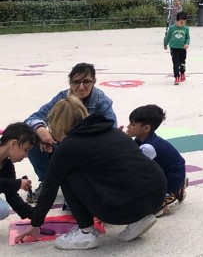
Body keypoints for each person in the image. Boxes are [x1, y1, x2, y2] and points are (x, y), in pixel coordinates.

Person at [14, 97, 165, 248]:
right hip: (156, 195)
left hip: (122, 209)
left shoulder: (68, 147)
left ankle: (85, 233)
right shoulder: (111, 131)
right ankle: (139, 218)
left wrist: (36, 223)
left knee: (66, 175)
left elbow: (49, 187)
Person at [24, 62, 117, 185]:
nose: (81, 87)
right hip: (63, 145)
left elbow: (111, 133)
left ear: (94, 82)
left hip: (88, 149)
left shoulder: (102, 102)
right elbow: (32, 119)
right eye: (76, 82)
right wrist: (41, 130)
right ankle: (47, 181)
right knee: (33, 140)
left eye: (86, 82)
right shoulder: (62, 97)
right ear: (70, 83)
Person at [125, 105, 187, 216]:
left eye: (133, 124)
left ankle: (172, 194)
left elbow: (131, 164)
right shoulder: (141, 139)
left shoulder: (149, 147)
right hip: (168, 171)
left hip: (172, 177)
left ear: (146, 128)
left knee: (153, 210)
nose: (128, 127)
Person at [0, 123, 37, 223]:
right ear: (13, 143)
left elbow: (12, 196)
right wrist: (17, 183)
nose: (26, 155)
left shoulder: (7, 166)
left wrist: (34, 215)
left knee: (2, 210)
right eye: (25, 150)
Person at [163, 11, 190, 86]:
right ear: (176, 21)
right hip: (174, 49)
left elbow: (188, 38)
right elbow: (167, 37)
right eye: (181, 22)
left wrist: (187, 43)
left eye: (184, 22)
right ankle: (177, 77)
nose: (182, 24)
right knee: (176, 63)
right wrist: (165, 44)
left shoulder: (186, 29)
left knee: (182, 62)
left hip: (182, 49)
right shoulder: (172, 28)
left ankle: (182, 73)